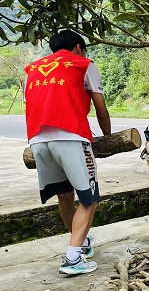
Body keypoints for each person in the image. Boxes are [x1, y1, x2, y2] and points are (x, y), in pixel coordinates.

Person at [24, 30, 111, 275]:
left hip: (37, 139)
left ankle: (81, 243)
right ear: (78, 47)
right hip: (71, 137)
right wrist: (107, 136)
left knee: (64, 196)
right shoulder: (84, 64)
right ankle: (72, 259)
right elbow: (101, 109)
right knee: (89, 199)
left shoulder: (33, 70)